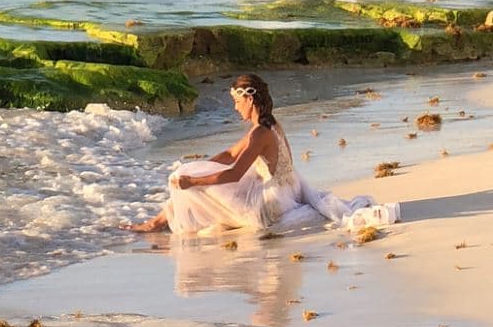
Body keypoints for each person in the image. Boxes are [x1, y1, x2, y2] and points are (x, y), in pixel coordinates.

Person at [120, 73, 392, 235]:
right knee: (190, 173)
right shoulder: (270, 124)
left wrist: (193, 181)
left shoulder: (259, 134)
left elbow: (234, 173)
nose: (235, 108)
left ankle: (156, 223)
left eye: (237, 102)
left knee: (188, 180)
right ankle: (157, 221)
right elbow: (230, 153)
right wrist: (202, 166)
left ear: (250, 100)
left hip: (270, 205)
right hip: (288, 188)